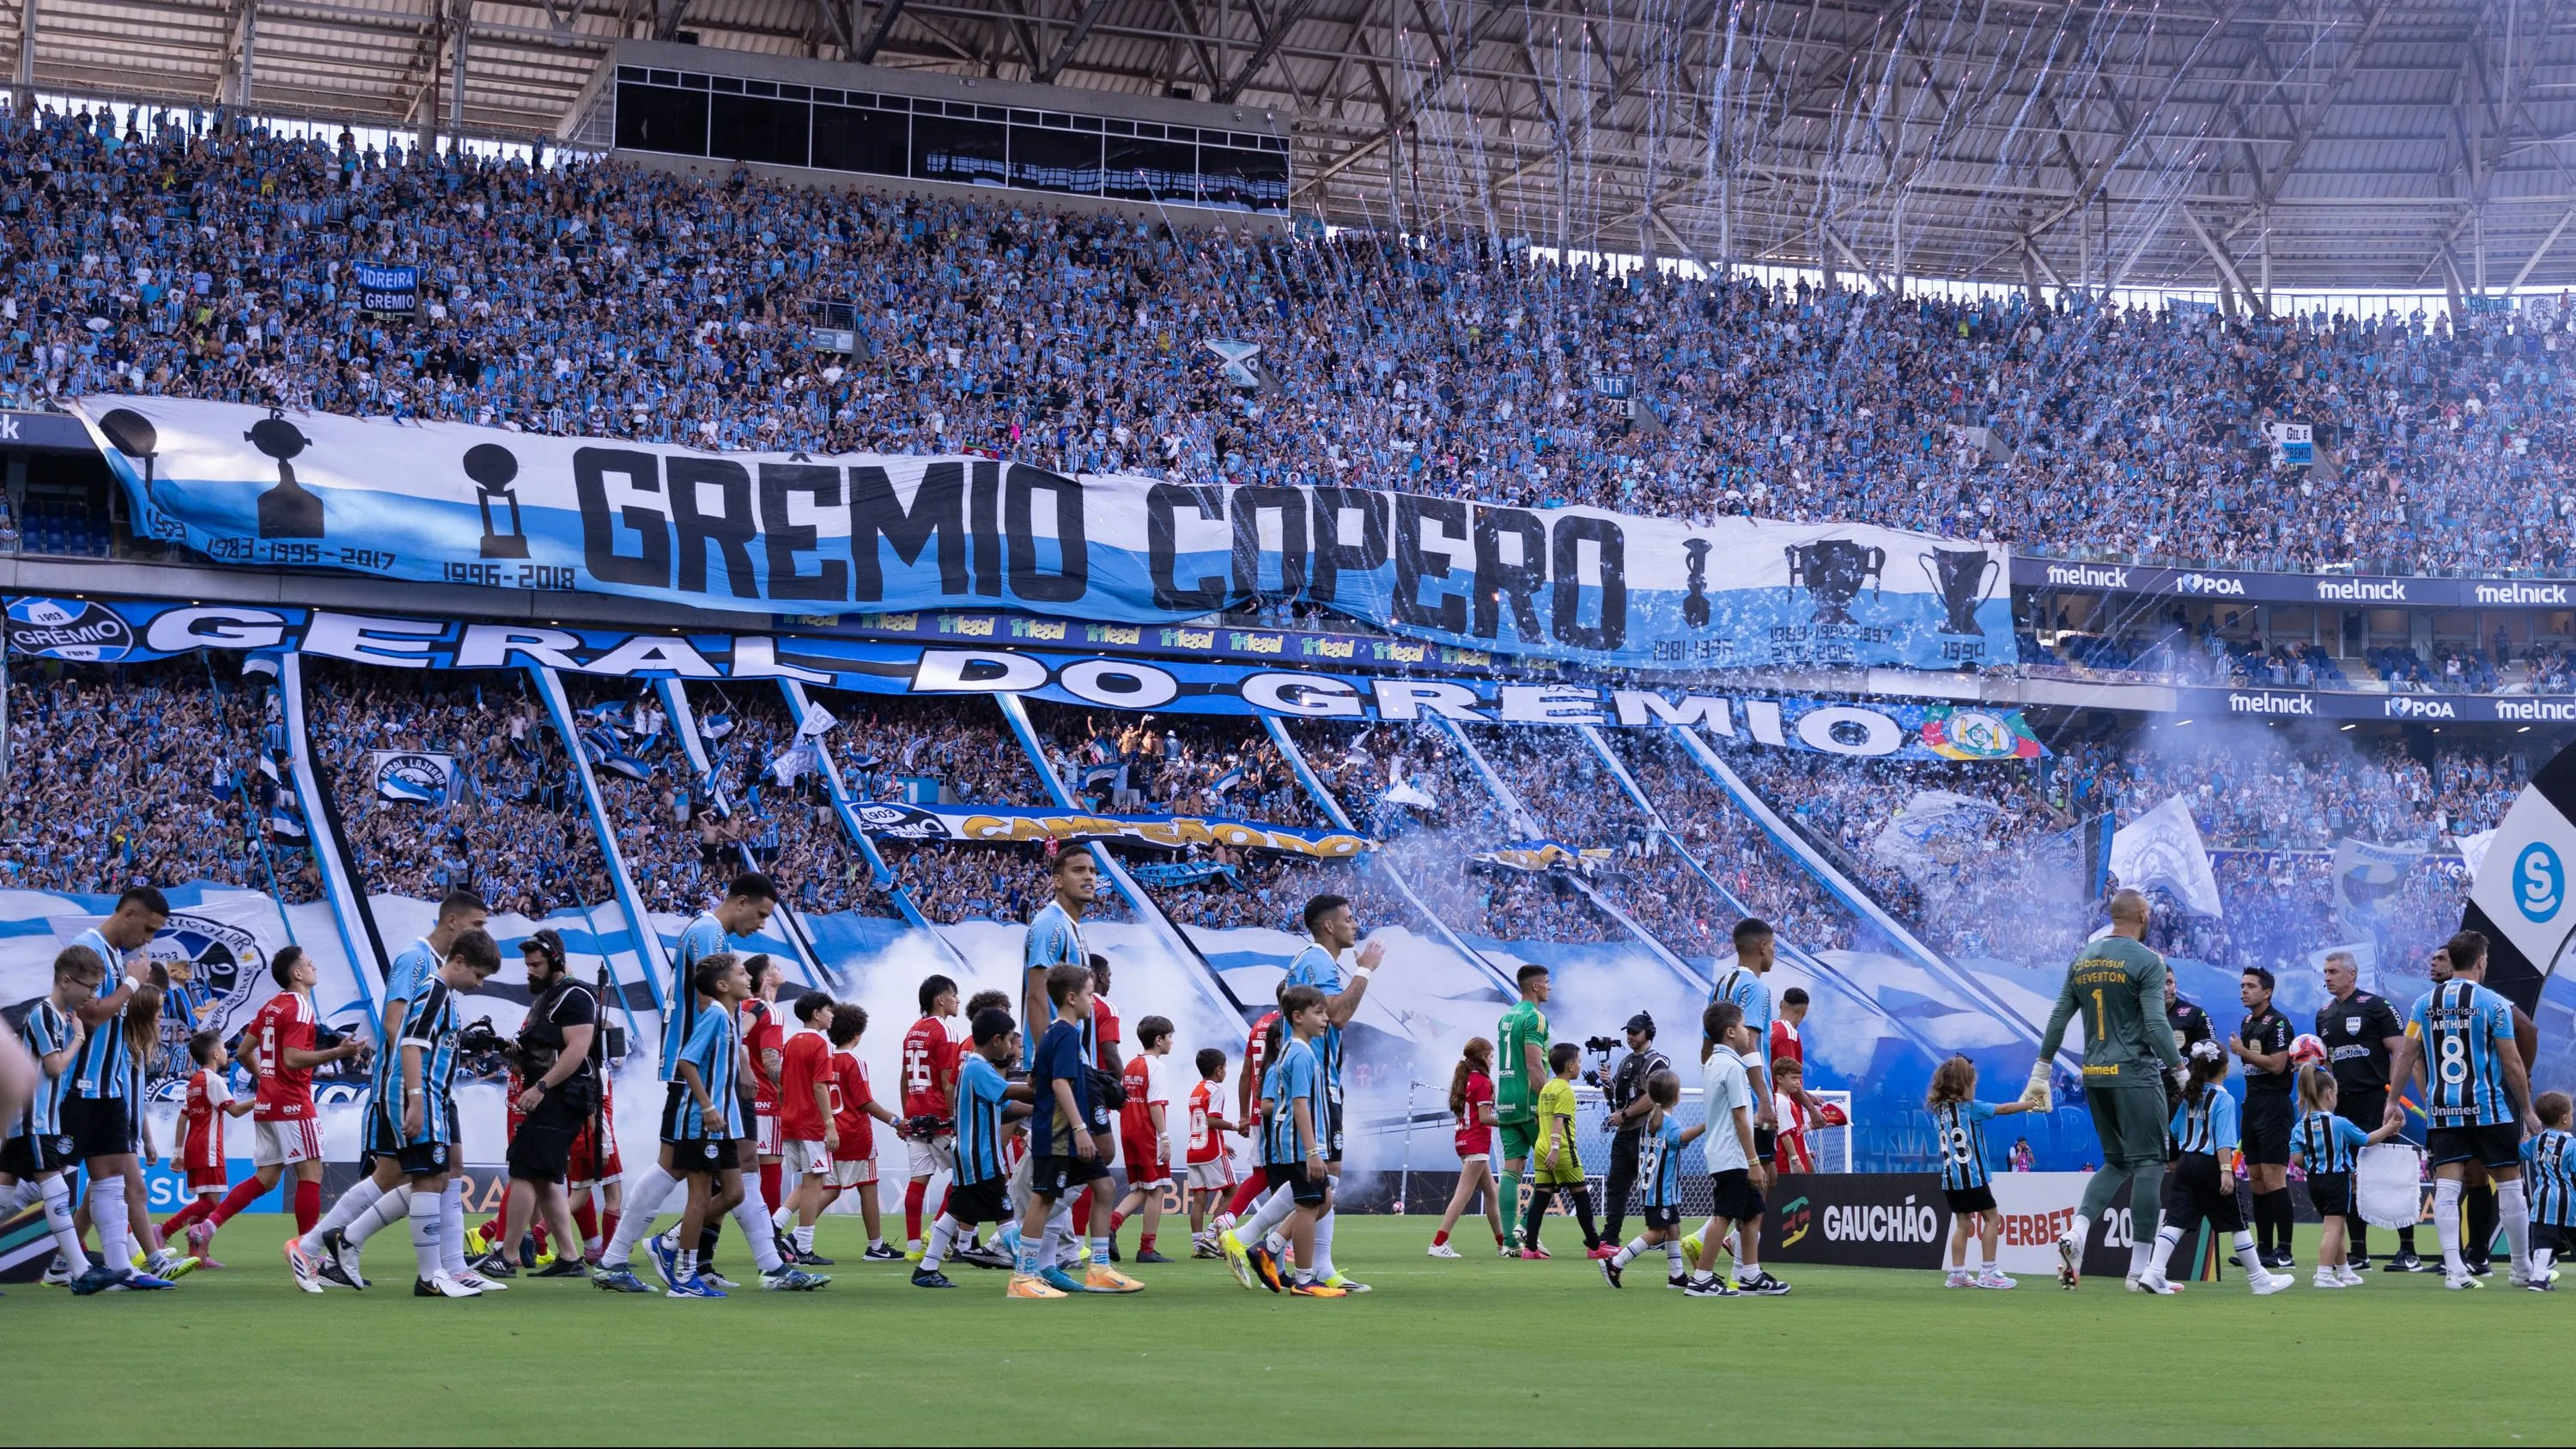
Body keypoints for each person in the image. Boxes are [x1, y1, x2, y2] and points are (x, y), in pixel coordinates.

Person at [295, 890, 493, 1297]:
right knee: (411, 1174)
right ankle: (321, 1245)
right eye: (477, 925)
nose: (481, 933)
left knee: (441, 1170)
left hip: (433, 1089)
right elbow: (398, 1026)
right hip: (410, 1086)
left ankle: (449, 1266)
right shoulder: (417, 960)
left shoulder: (442, 972)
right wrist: (412, 1091)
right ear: (453, 922)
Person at [2027, 888, 2183, 1292]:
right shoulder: (2148, 961)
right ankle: (2139, 1273)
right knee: (2149, 1164)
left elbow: (2060, 1015)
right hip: (2135, 1072)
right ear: (2144, 916)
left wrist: (2041, 1070)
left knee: (2116, 1162)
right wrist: (2182, 1072)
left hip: (2094, 1072)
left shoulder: (2082, 959)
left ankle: (2077, 1232)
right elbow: (2154, 1023)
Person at [2384, 929, 2539, 1290]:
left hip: (2443, 1110)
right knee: (2510, 1184)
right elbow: (2512, 1061)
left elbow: (2407, 1055)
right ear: (2482, 961)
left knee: (2448, 1188)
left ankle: (2455, 1270)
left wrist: (2393, 1102)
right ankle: (2521, 1269)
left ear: (2452, 960)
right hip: (2490, 1108)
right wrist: (2528, 1109)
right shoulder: (2493, 1003)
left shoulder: (2423, 1005)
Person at [61, 888, 177, 1294]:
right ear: (128, 914)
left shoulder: (112, 955)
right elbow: (89, 1017)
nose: (148, 939)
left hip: (108, 1089)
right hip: (76, 1088)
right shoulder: (86, 948)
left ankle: (120, 1270)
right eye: (147, 928)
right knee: (31, 1180)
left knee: (110, 1183)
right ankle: (68, 1264)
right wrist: (131, 982)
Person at [1279, 892, 1386, 1294]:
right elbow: (1338, 1014)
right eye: (1348, 919)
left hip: (1321, 1082)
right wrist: (1366, 971)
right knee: (1323, 1182)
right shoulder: (1318, 960)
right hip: (1317, 1084)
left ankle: (1310, 1263)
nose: (1354, 925)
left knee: (1326, 1182)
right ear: (1329, 926)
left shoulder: (1312, 961)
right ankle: (1265, 1244)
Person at [388, 928, 502, 1299]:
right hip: (427, 1097)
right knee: (427, 1178)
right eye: (479, 975)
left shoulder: (446, 995)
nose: (480, 984)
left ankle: (453, 1267)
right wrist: (416, 1100)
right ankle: (429, 1275)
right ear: (458, 962)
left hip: (439, 1098)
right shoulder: (434, 990)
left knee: (446, 1172)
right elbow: (410, 1044)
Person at [1015, 962, 1141, 1296]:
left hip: (1065, 1133)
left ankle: (1099, 1268)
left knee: (1103, 1186)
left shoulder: (1053, 1035)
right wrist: (1081, 1128)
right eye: (1088, 994)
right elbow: (1058, 1082)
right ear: (1071, 998)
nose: (1093, 999)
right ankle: (1023, 1276)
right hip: (1060, 1134)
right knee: (1043, 1199)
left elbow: (1034, 1078)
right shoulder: (1067, 1035)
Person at [2132, 1040, 2293, 1296]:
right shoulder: (2224, 1099)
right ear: (2226, 1069)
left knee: (2175, 1221)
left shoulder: (2190, 1096)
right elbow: (2225, 1140)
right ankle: (2258, 1278)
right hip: (2211, 1165)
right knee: (2237, 1222)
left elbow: (2174, 1130)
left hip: (2185, 1164)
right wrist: (2226, 1170)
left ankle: (2154, 1273)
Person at [483, 929, 599, 1282]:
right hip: (558, 1095)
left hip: (560, 1096)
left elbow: (578, 1050)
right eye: (528, 965)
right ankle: (569, 1257)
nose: (529, 971)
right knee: (547, 1178)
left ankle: (507, 1253)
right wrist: (504, 1049)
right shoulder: (551, 997)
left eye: (535, 964)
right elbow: (539, 1053)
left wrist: (542, 1086)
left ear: (556, 961)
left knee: (522, 1169)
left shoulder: (575, 995)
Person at [2, 949, 103, 1293]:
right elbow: (54, 1067)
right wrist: (78, 1038)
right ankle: (79, 1271)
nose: (93, 994)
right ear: (65, 980)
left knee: (3, 1199)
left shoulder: (58, 1016)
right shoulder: (44, 1014)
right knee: (57, 1190)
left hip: (33, 1120)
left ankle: (76, 1269)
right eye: (89, 986)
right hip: (33, 1121)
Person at [2314, 949, 2421, 1271]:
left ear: (2352, 974)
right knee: (2349, 1176)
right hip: (2343, 1104)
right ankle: (2359, 1253)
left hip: (2377, 1099)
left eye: (2333, 971)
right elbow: (2328, 1064)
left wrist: (2394, 1099)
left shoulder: (2376, 1006)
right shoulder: (2324, 1014)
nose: (2327, 977)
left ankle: (2409, 1251)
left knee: (2389, 1172)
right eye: (2325, 972)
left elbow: (2401, 1052)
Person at [914, 1008, 1035, 1290]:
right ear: (995, 1040)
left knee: (956, 1212)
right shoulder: (980, 1067)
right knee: (1006, 1216)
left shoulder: (977, 1067)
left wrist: (1040, 1110)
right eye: (1008, 1040)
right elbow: (1010, 1092)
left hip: (970, 1155)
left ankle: (927, 1268)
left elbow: (1006, 1107)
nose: (1010, 1046)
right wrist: (1054, 1089)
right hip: (981, 1157)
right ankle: (1028, 1276)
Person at [1235, 983, 1343, 1298]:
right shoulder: (1300, 1054)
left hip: (1297, 1144)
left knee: (1322, 1201)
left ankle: (1269, 1248)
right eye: (1319, 1013)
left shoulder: (1296, 1051)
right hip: (1299, 1146)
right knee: (1309, 1206)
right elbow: (1299, 1104)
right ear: (1297, 1017)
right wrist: (1313, 1151)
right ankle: (1306, 1279)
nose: (1325, 1019)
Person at [1684, 1000, 1777, 1297]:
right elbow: (1739, 1117)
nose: (1748, 1031)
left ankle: (1750, 1274)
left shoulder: (1712, 1063)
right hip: (1733, 1155)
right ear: (1730, 1032)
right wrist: (1753, 1161)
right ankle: (1702, 1278)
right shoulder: (1733, 1067)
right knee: (1724, 1215)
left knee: (1751, 1212)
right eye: (1742, 1025)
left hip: (1726, 1152)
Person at [1926, 1054, 2035, 1289]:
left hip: (1950, 1179)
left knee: (1963, 1224)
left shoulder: (1939, 1111)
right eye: (1972, 1081)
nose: (1975, 1085)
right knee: (1992, 1218)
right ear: (1963, 1084)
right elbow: (2004, 1108)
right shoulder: (1970, 1109)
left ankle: (1957, 1273)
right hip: (1972, 1176)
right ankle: (1988, 1271)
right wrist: (2031, 1104)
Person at [2289, 1065, 2400, 1289]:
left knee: (2335, 1225)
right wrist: (2389, 1128)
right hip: (2336, 1179)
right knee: (2333, 1228)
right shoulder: (2339, 1123)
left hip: (2314, 1182)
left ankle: (2345, 1272)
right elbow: (2366, 1140)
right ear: (2330, 1093)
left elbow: (2296, 1158)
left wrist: (2316, 1162)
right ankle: (2323, 1275)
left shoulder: (2300, 1127)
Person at [159, 1032, 252, 1267]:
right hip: (209, 1149)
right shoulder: (213, 1080)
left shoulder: (194, 1082)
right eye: (223, 1047)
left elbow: (182, 1118)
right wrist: (262, 1099)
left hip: (194, 1147)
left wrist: (178, 1152)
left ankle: (196, 1255)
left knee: (204, 1201)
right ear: (216, 1053)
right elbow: (235, 1111)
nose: (226, 1052)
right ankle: (163, 1231)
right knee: (211, 1204)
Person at [1599, 1069, 1698, 1289]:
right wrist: (1706, 1125)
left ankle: (1677, 1276)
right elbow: (1681, 1138)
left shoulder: (1651, 1120)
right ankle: (1615, 1263)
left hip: (1656, 1188)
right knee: (1657, 1233)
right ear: (1677, 1096)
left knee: (1673, 1228)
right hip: (1660, 1190)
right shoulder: (1668, 1123)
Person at [820, 1002, 902, 1261]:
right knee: (868, 1186)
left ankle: (797, 1235)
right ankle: (876, 1246)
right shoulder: (854, 1061)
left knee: (828, 1188)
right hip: (856, 1134)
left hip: (831, 1133)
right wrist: (895, 1121)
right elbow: (865, 1102)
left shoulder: (826, 1059)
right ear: (858, 1033)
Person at [2230, 965, 2297, 1269]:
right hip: (2252, 1105)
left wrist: (2243, 1051)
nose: (2244, 990)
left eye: (2250, 986)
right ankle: (2263, 1247)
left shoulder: (2279, 1022)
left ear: (2267, 992)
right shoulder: (2247, 1022)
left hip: (2274, 1106)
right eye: (2243, 985)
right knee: (2255, 1179)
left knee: (2273, 1178)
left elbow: (2278, 1065)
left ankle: (2284, 1250)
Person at [898, 973, 962, 1260]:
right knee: (965, 1177)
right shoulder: (945, 1031)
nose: (957, 1000)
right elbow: (949, 1080)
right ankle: (936, 1230)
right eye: (954, 994)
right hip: (940, 1116)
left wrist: (906, 1116)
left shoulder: (913, 1030)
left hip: (915, 1115)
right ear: (940, 999)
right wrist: (956, 1116)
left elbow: (904, 1077)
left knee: (917, 1181)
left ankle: (913, 1247)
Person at [772, 991, 839, 1266]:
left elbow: (781, 1087)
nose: (831, 1015)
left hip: (789, 1120)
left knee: (807, 1181)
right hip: (811, 1124)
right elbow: (820, 1086)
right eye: (828, 1010)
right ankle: (804, 1248)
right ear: (816, 1014)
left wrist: (786, 1110)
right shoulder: (821, 1044)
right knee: (816, 1183)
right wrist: (830, 1125)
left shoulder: (790, 1043)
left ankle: (775, 1226)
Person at [1710, 919, 1782, 1170]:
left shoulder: (1720, 985)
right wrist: (1763, 1099)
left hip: (1724, 1093)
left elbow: (1706, 1048)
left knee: (1759, 1176)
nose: (1775, 952)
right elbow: (1748, 1044)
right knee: (1758, 1179)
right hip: (1749, 1100)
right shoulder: (1755, 987)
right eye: (1773, 945)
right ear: (1762, 946)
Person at [1525, 1041, 1604, 1259]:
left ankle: (1530, 1249)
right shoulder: (1566, 1091)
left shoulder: (1547, 1088)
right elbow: (1559, 1119)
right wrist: (1555, 1148)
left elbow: (1538, 1119)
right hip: (1560, 1150)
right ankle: (1596, 1247)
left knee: (1541, 1198)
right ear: (1571, 1066)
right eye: (1579, 1061)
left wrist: (1546, 1147)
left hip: (1541, 1148)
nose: (1580, 1065)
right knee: (1581, 1196)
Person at [1109, 1015, 1176, 1263]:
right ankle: (1147, 1249)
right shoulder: (1157, 1067)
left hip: (1128, 1130)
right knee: (1157, 1189)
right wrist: (1165, 1138)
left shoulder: (1132, 1065)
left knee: (1139, 1188)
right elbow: (1155, 1105)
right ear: (1159, 1040)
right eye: (1169, 1038)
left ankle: (1110, 1226)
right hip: (1148, 1133)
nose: (1171, 1043)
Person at [1494, 963, 1551, 1257]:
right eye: (1547, 982)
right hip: (1530, 1100)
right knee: (1556, 1165)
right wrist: (1549, 1099)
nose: (1550, 987)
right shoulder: (1535, 1018)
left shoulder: (1506, 1017)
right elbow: (1533, 1066)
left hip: (1505, 1100)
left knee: (1511, 1168)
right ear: (1536, 987)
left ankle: (1507, 1243)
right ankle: (1524, 1227)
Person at [1600, 1012, 1669, 1248]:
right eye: (1628, 1032)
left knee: (1651, 1185)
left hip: (1646, 1133)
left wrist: (1625, 1115)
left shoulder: (1657, 1061)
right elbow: (1618, 1097)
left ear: (1648, 1034)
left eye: (1634, 1032)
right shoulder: (1626, 1060)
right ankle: (1610, 1236)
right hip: (1626, 1132)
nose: (1629, 1036)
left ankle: (1660, 1233)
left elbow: (1654, 1096)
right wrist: (1608, 1083)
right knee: (1616, 1185)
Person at [1430, 1037, 1503, 1258]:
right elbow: (1485, 1117)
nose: (1493, 1062)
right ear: (1482, 1057)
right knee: (1464, 1193)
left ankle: (1503, 1244)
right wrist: (1513, 1121)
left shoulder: (1467, 1079)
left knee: (1492, 1193)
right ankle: (1438, 1242)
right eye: (1491, 1057)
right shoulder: (1481, 1081)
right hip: (1476, 1142)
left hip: (1464, 1140)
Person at [1182, 1048, 1241, 1257]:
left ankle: (1199, 1245)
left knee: (1199, 1199)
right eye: (1225, 1067)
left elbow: (1201, 1125)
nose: (1225, 1071)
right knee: (1233, 1192)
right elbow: (1212, 1120)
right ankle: (1212, 1238)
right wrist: (1236, 1126)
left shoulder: (1195, 1091)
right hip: (1211, 1152)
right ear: (1218, 1070)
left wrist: (1224, 1144)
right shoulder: (1216, 1090)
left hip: (1193, 1151)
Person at [2521, 1092, 2573, 1291]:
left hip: (2542, 1200)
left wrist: (2527, 1135)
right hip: (2569, 1202)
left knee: (2543, 1241)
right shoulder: (2572, 1145)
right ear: (2565, 1118)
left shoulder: (2537, 1142)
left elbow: (2521, 1151)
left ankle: (2538, 1278)